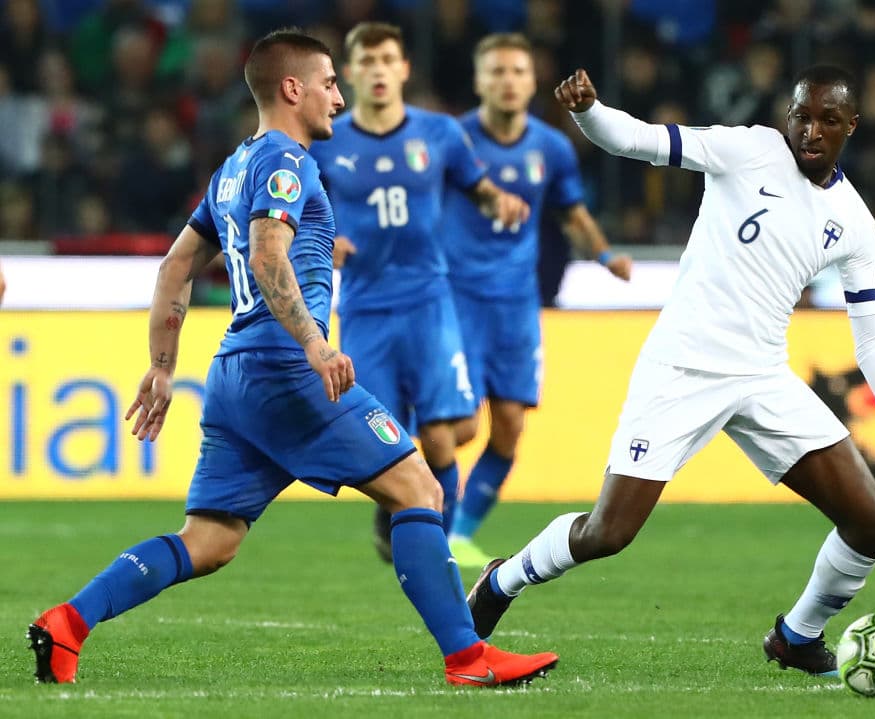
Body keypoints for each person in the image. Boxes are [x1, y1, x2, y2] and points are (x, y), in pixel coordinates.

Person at [27, 29, 557, 688]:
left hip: (234, 375)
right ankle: (468, 658)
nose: (339, 96)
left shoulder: (231, 169)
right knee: (418, 488)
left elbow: (176, 265)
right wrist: (315, 342)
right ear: (292, 89)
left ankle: (69, 622)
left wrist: (163, 366)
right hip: (285, 370)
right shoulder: (288, 161)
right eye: (330, 82)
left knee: (210, 540)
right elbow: (268, 251)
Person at [466, 66, 875, 677]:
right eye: (802, 115)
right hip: (682, 367)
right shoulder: (748, 149)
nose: (811, 130)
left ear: (853, 125)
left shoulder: (855, 225)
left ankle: (797, 636)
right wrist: (589, 111)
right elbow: (636, 139)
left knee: (871, 521)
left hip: (762, 375)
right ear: (787, 115)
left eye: (828, 119)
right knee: (608, 533)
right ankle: (502, 579)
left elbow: (871, 341)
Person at [308, 22, 529, 562]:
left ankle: (439, 547)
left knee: (442, 432)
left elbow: (475, 187)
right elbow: (308, 215)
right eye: (368, 60)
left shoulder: (441, 135)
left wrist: (496, 201)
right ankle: (397, 511)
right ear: (351, 72)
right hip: (364, 308)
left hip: (429, 303)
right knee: (385, 439)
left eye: (388, 59)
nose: (379, 69)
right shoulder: (326, 145)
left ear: (403, 68)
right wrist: (326, 239)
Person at [443, 34, 632, 568]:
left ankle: (456, 535)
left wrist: (605, 255)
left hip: (516, 307)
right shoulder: (452, 140)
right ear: (480, 81)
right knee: (459, 427)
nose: (507, 80)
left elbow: (571, 212)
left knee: (509, 429)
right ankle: (411, 500)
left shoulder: (551, 147)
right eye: (497, 71)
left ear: (531, 82)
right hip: (456, 300)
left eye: (517, 71)